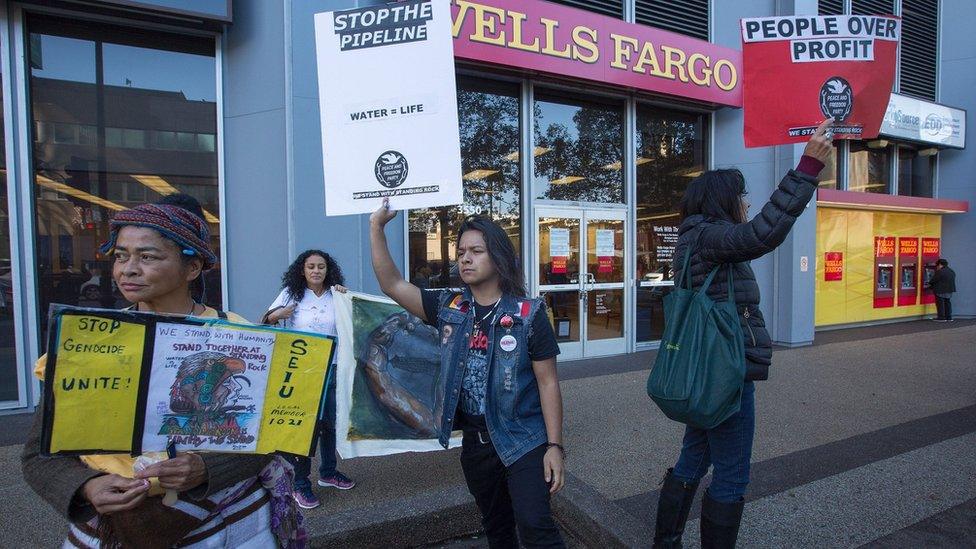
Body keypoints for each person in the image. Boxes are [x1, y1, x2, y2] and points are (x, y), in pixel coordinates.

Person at [22, 194, 305, 548]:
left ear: (193, 267)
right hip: (113, 530)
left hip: (234, 526)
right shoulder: (83, 343)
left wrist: (207, 469)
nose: (128, 268)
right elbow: (39, 453)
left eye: (147, 256)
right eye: (121, 255)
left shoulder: (239, 336)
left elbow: (274, 436)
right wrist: (85, 486)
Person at [652, 119, 835, 549]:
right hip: (724, 372)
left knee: (693, 457)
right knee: (732, 472)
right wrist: (806, 166)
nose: (745, 203)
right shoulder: (712, 236)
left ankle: (667, 541)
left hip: (702, 371)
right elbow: (763, 233)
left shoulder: (692, 238)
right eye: (740, 197)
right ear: (722, 202)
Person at [370, 201, 567, 548]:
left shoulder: (528, 314)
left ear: (499, 257)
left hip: (523, 438)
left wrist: (555, 447)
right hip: (476, 444)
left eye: (476, 251)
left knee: (536, 526)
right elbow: (392, 284)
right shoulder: (449, 307)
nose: (465, 258)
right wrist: (376, 227)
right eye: (461, 251)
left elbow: (548, 383)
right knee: (498, 528)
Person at [262, 250, 355, 509]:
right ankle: (300, 484)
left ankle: (328, 473)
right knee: (303, 428)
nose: (316, 271)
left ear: (328, 269)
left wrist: (346, 298)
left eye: (321, 267)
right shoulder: (290, 294)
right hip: (301, 370)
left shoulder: (337, 294)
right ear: (302, 270)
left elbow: (352, 322)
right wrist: (277, 315)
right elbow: (266, 320)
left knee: (329, 424)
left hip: (332, 367)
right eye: (311, 266)